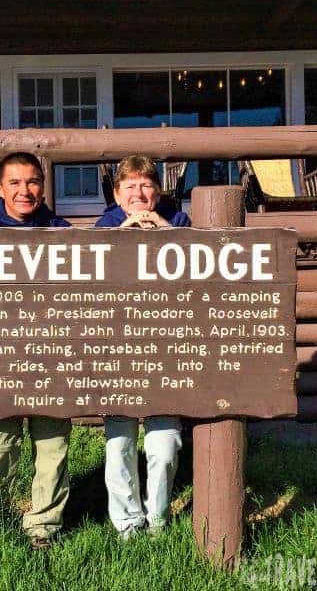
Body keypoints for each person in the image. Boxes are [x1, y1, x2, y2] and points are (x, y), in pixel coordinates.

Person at [0, 152, 71, 550]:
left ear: (43, 187)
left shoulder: (63, 233)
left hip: (51, 360)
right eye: (14, 182)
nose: (24, 190)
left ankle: (44, 525)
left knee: (52, 445)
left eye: (32, 182)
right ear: (0, 188)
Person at [95, 154, 190, 539]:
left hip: (166, 352)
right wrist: (124, 234)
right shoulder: (105, 225)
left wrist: (163, 231)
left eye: (146, 185)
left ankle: (159, 521)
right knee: (119, 444)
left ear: (158, 192)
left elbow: (197, 273)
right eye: (130, 186)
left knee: (164, 445)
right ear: (118, 194)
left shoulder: (179, 221)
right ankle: (127, 525)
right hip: (118, 351)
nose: (139, 193)